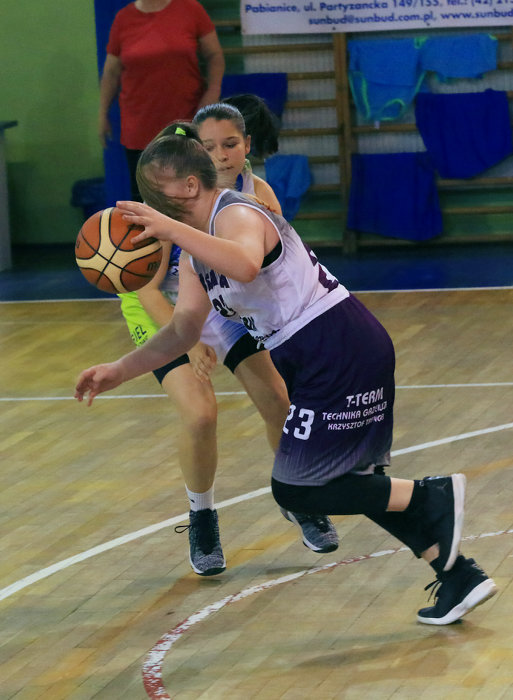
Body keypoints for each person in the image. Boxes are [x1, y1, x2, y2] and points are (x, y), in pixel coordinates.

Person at [75, 126, 497, 625]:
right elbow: (183, 331)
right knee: (352, 482)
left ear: (188, 186)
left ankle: (432, 495)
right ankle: (460, 576)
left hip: (337, 345)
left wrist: (173, 230)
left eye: (152, 194)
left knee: (298, 489)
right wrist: (119, 371)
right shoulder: (193, 258)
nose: (149, 207)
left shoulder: (235, 213)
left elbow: (245, 265)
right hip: (315, 355)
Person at [116, 111, 339, 577]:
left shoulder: (253, 195)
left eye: (229, 144)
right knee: (200, 415)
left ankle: (299, 496)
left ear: (246, 146)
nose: (220, 155)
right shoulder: (170, 206)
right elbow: (148, 291)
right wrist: (189, 342)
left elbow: (277, 264)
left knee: (278, 401)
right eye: (210, 147)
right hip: (164, 309)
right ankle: (202, 518)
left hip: (221, 304)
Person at [98, 0, 225, 199]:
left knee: (191, 198)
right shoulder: (123, 19)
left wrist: (212, 92)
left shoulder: (190, 9)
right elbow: (111, 72)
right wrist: (102, 113)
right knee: (146, 201)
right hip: (139, 130)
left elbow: (214, 55)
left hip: (186, 126)